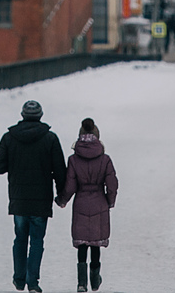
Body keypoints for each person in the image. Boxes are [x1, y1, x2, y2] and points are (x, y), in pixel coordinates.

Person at [0, 99, 67, 292]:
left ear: (22, 116)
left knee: (20, 238)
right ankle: (33, 282)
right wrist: (61, 195)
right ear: (40, 116)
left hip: (18, 198)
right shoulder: (50, 139)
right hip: (41, 199)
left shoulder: (10, 138)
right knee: (37, 241)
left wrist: (13, 162)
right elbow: (60, 171)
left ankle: (18, 278)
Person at [58, 117, 118, 292]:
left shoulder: (73, 160)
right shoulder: (105, 159)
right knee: (95, 243)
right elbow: (112, 184)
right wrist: (110, 201)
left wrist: (62, 200)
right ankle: (95, 277)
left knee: (82, 244)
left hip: (81, 203)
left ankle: (81, 283)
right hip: (100, 202)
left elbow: (69, 185)